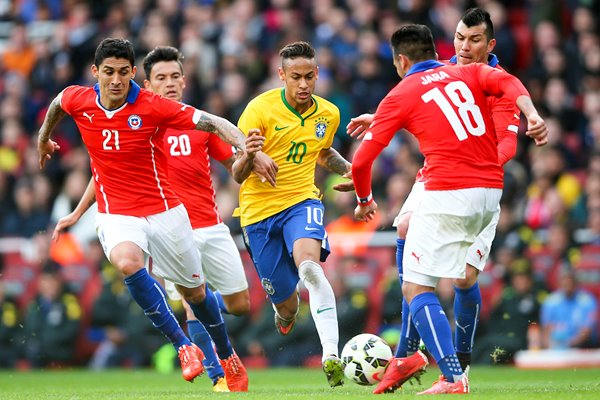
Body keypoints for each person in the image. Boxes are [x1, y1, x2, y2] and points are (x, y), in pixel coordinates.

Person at [37, 38, 255, 384]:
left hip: (166, 213)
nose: (116, 80)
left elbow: (213, 122)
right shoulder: (78, 98)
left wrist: (245, 144)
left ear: (133, 73)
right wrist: (43, 137)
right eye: (108, 72)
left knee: (196, 295)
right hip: (117, 214)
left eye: (123, 72)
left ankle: (227, 357)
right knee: (127, 262)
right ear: (96, 73)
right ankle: (183, 346)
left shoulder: (153, 106)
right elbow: (56, 105)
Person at [346, 8, 547, 375]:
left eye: (473, 40)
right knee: (403, 225)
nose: (464, 47)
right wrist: (380, 117)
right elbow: (428, 99)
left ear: (490, 44)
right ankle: (407, 351)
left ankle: (459, 365)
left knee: (463, 279)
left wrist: (471, 156)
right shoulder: (452, 68)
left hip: (477, 177)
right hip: (439, 176)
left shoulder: (495, 82)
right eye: (458, 38)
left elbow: (507, 146)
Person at [231, 41, 354, 387]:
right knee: (287, 307)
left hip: (302, 202)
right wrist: (251, 156)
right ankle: (284, 310)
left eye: (310, 77)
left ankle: (332, 355)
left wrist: (349, 170)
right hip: (257, 215)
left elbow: (323, 152)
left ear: (317, 74)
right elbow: (237, 174)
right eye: (296, 77)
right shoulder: (258, 110)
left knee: (310, 269)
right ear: (281, 75)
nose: (303, 84)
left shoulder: (328, 113)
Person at [540, 269, 598, 349]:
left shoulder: (587, 301)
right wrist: (551, 346)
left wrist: (568, 344)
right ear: (558, 282)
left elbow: (587, 331)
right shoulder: (550, 302)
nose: (567, 283)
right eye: (564, 280)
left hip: (583, 347)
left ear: (575, 282)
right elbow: (546, 331)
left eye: (570, 280)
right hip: (556, 348)